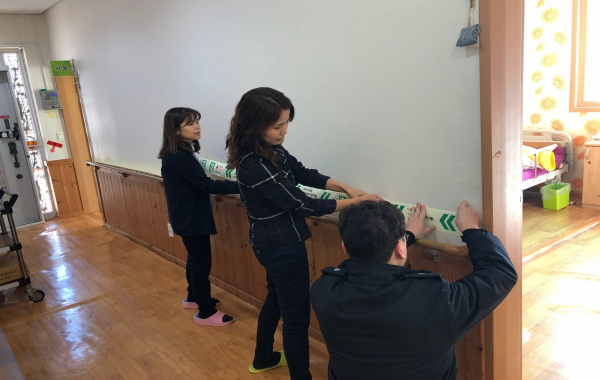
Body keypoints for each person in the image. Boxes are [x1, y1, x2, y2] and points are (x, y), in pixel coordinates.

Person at [225, 87, 380, 379]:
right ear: (255, 125)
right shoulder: (254, 165)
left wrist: (346, 188)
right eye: (277, 126)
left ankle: (263, 357)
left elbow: (303, 172)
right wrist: (356, 203)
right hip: (280, 245)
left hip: (273, 242)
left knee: (275, 299)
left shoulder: (270, 149)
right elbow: (302, 204)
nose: (284, 131)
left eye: (287, 123)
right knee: (296, 319)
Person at [311, 200, 518, 380]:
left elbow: (363, 268)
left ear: (344, 247)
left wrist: (406, 237)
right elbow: (501, 272)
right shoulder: (437, 300)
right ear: (400, 249)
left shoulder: (324, 290)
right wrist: (472, 230)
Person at [159, 107, 238, 326]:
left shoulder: (179, 153)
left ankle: (193, 297)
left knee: (195, 259)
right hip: (191, 218)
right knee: (201, 263)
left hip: (186, 216)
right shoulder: (178, 157)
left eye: (197, 122)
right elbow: (206, 185)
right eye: (190, 124)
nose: (197, 127)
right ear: (176, 130)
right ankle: (206, 312)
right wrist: (242, 185)